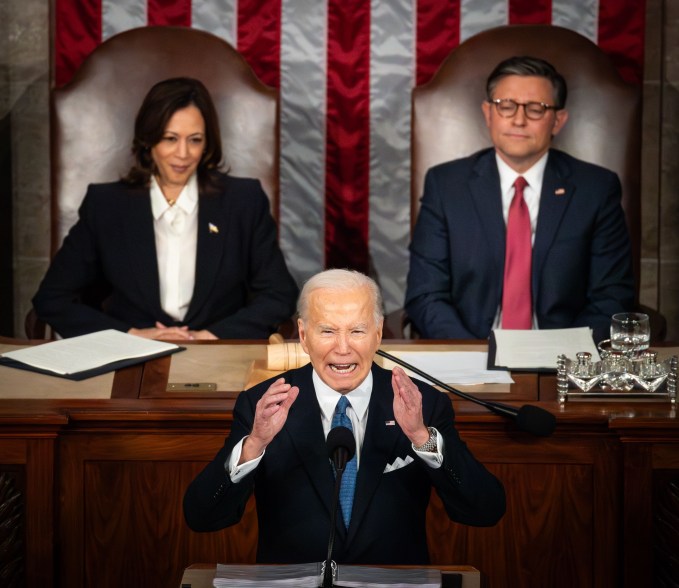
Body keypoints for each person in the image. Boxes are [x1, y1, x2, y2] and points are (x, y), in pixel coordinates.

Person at [183, 269, 505, 565]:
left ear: (378, 334)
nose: (343, 348)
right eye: (327, 331)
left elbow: (485, 510)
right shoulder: (262, 405)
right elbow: (202, 517)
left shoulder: (423, 403)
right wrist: (254, 444)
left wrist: (422, 437)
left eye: (357, 331)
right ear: (304, 335)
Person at [32, 77, 298, 340]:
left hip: (219, 353)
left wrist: (210, 337)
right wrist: (132, 335)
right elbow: (52, 299)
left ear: (207, 143)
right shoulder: (106, 205)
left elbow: (278, 294)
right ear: (149, 140)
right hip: (130, 355)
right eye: (170, 138)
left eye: (194, 140)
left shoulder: (243, 201)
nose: (183, 153)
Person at [405, 56, 635, 343]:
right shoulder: (446, 185)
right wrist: (473, 353)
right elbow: (426, 294)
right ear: (488, 113)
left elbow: (612, 295)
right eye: (506, 106)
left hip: (563, 359)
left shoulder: (596, 189)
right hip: (471, 351)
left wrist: (565, 353)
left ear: (558, 120)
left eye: (536, 109)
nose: (519, 119)